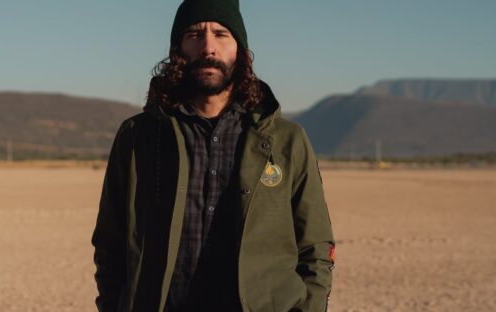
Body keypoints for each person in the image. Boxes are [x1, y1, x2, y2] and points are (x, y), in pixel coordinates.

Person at [91, 0, 334, 311]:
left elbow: (315, 247)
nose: (208, 47)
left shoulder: (286, 141)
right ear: (177, 49)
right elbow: (110, 245)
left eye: (221, 34)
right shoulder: (137, 137)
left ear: (241, 50)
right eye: (194, 34)